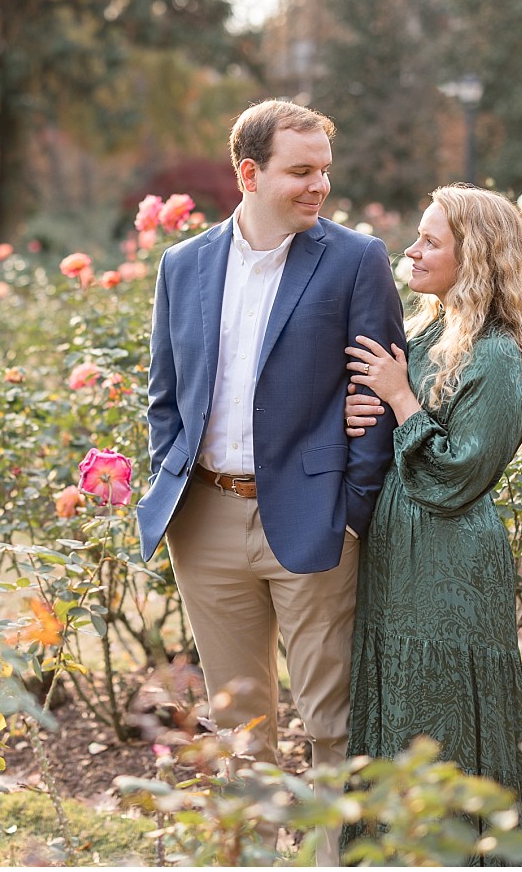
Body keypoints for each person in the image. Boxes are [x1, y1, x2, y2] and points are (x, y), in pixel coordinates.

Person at [136, 99, 406, 865]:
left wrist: (352, 509)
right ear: (249, 174)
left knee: (330, 717)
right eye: (302, 171)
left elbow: (380, 397)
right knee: (240, 722)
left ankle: (330, 860)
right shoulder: (181, 265)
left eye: (325, 169)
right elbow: (165, 394)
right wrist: (173, 473)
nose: (320, 184)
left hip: (314, 519)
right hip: (206, 521)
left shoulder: (356, 260)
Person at [340, 183, 522, 864]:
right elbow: (397, 430)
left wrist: (400, 396)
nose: (412, 248)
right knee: (399, 696)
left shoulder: (495, 355)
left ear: (477, 258)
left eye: (431, 240)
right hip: (401, 556)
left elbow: (457, 476)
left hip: (448, 561)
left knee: (443, 706)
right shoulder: (434, 330)